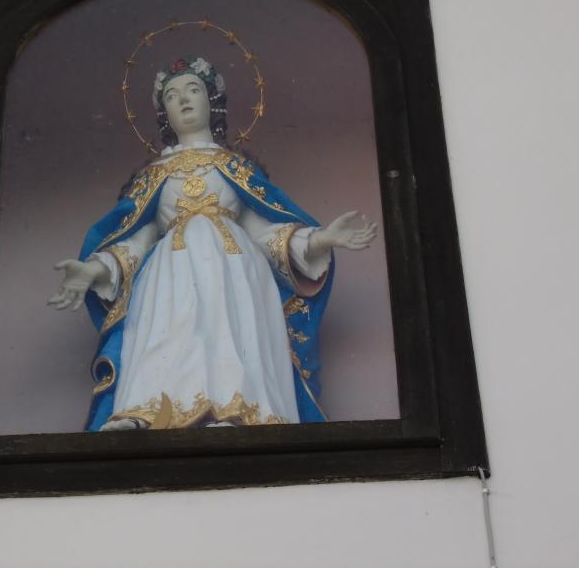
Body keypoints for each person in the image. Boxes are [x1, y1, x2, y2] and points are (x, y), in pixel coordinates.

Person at [48, 57, 376, 431]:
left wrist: (320, 240)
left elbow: (267, 232)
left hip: (233, 269)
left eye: (193, 90)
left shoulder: (235, 168)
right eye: (172, 96)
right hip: (170, 274)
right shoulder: (153, 177)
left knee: (230, 334)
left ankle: (232, 411)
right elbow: (135, 240)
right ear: (164, 114)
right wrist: (93, 269)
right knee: (167, 334)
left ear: (211, 101)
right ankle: (143, 413)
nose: (183, 100)